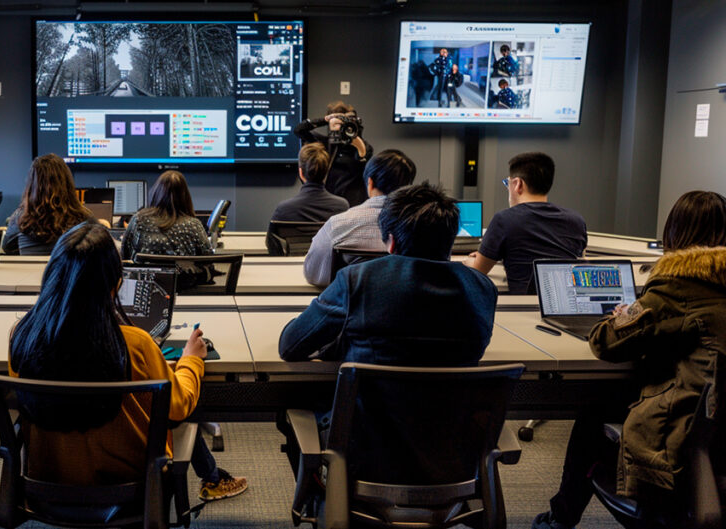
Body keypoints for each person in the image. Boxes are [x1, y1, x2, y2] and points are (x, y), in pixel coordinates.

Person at [8, 220, 248, 501]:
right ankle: (213, 477)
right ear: (116, 283)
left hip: (47, 483)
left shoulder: (23, 335)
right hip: (130, 488)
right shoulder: (134, 344)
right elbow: (178, 406)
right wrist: (191, 361)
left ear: (51, 276)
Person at [532, 191, 726, 529]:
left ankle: (558, 522)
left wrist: (623, 315)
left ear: (674, 234)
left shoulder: (677, 286)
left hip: (680, 447)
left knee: (591, 419)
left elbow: (605, 343)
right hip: (717, 435)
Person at [278, 183, 497, 477]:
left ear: (391, 242)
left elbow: (291, 345)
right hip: (453, 455)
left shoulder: (359, 279)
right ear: (450, 241)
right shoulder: (482, 288)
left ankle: (321, 498)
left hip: (365, 455)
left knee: (292, 399)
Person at [466, 152, 586, 294]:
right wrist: (495, 255)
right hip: (565, 307)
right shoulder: (576, 221)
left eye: (507, 183)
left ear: (518, 184)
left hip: (523, 308)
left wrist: (469, 263)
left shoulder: (504, 219)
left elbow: (478, 271)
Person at [303, 149, 417, 287]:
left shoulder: (338, 224)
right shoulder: (421, 226)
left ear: (370, 183)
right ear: (407, 186)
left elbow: (314, 274)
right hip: (404, 304)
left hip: (351, 305)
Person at [120, 170, 214, 287]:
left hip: (145, 288)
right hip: (185, 290)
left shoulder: (139, 220)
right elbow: (209, 261)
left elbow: (124, 258)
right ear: (185, 197)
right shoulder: (194, 225)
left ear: (155, 192)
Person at [2, 154, 93, 255]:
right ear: (67, 184)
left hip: (30, 270)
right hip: (65, 270)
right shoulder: (82, 217)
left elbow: (7, 248)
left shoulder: (20, 218)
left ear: (32, 185)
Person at [292, 101, 374, 207]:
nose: (341, 128)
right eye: (337, 124)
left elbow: (363, 157)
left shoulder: (363, 147)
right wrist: (325, 119)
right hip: (328, 205)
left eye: (344, 124)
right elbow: (299, 130)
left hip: (352, 207)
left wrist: (356, 139)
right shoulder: (323, 143)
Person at [267, 142, 349, 224]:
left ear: (301, 172)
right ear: (326, 173)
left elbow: (273, 236)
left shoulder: (284, 209)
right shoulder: (342, 207)